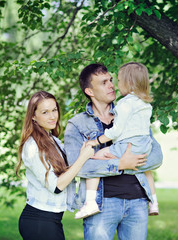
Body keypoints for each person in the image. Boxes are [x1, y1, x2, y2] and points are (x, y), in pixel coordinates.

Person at [64, 63, 163, 240]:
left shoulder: (133, 112)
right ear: (90, 91)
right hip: (101, 205)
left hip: (138, 202)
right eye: (104, 82)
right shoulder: (77, 124)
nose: (111, 85)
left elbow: (156, 156)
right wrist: (119, 164)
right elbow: (77, 167)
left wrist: (125, 164)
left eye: (111, 80)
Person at [16, 91, 94, 240]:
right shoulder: (32, 146)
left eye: (54, 110)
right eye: (45, 112)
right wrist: (82, 158)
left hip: (51, 220)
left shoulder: (54, 140)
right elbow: (56, 186)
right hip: (39, 221)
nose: (52, 116)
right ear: (33, 116)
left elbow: (67, 171)